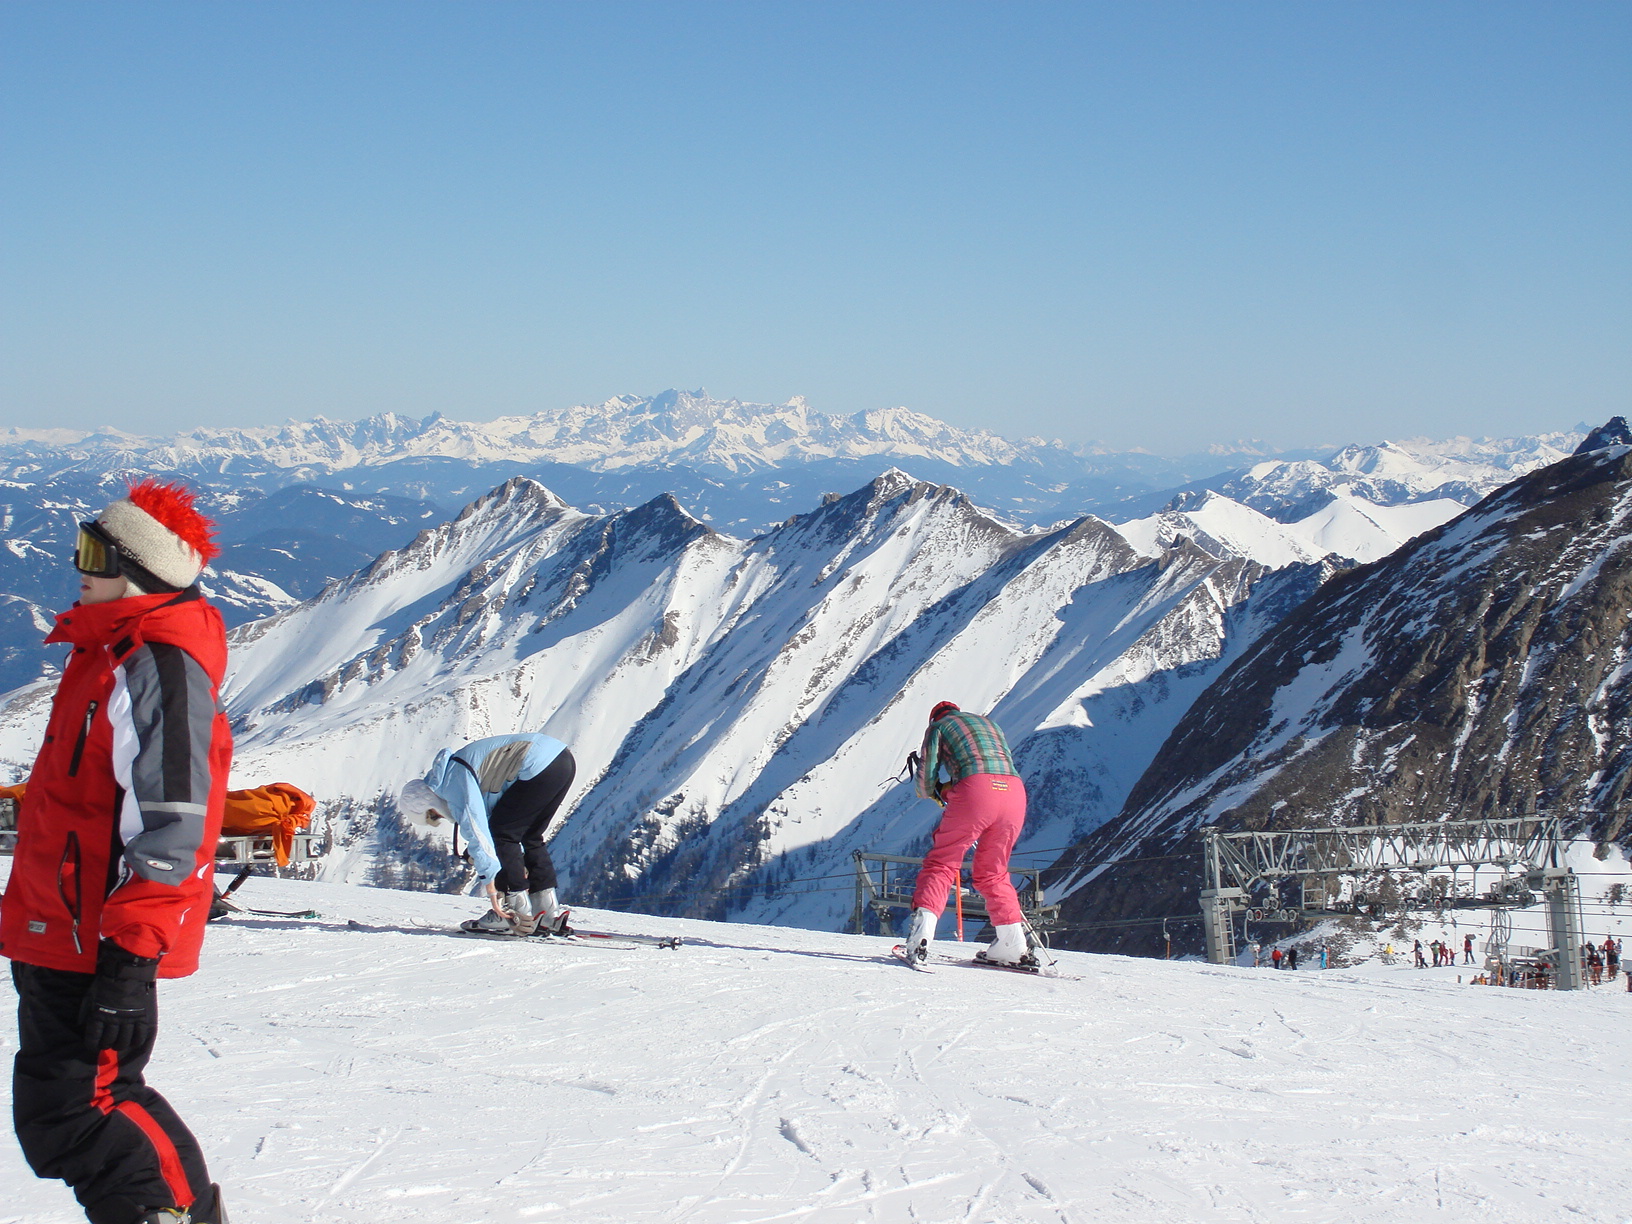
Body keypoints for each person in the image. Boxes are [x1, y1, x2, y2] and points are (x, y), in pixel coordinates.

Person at [1, 480, 231, 1224]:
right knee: (63, 1110)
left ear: (140, 572)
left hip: (97, 936)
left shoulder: (155, 665)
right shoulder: (105, 654)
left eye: (95, 554)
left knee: (86, 1108)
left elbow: (174, 824)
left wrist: (131, 959)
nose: (79, 568)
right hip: (57, 929)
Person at [399, 732, 576, 935]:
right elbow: (491, 820)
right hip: (561, 760)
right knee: (529, 836)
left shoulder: (451, 783)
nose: (441, 817)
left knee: (502, 835)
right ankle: (546, 913)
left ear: (427, 802)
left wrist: (490, 878)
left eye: (433, 815)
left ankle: (513, 914)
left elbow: (477, 828)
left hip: (537, 765)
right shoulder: (452, 772)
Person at [900, 702, 1031, 967]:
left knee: (942, 863)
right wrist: (954, 789)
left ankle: (920, 938)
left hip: (975, 791)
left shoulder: (938, 727)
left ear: (934, 717)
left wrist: (933, 791)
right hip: (1014, 792)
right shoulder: (991, 724)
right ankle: (1013, 945)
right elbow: (988, 771)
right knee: (994, 872)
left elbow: (926, 780)